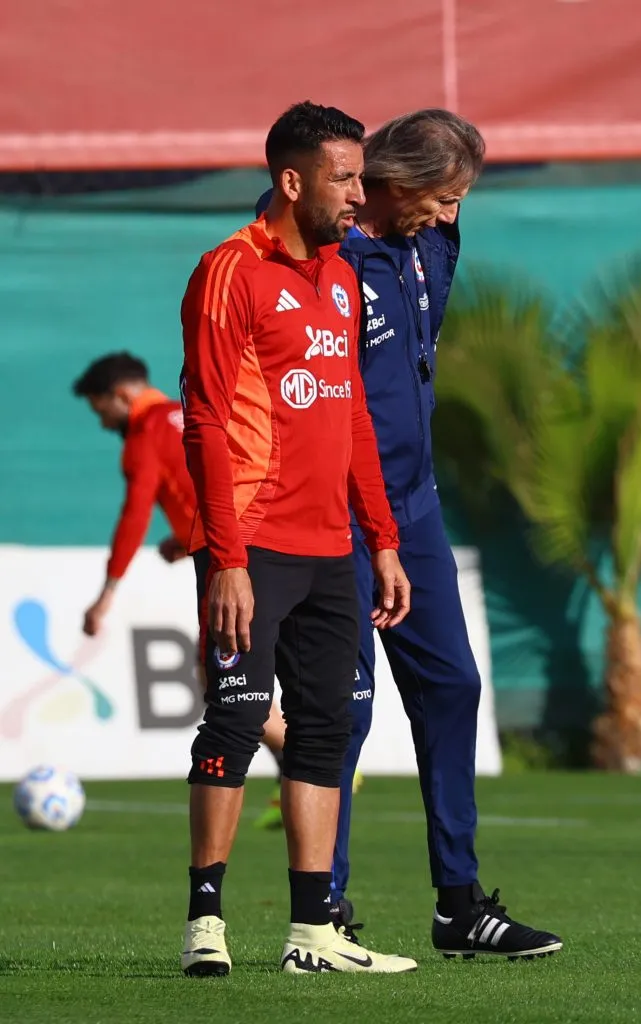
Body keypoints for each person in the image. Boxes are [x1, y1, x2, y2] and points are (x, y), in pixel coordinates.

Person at [258, 109, 561, 960]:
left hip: (413, 510)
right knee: (338, 712)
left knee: (454, 685)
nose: (450, 212)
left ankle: (458, 906)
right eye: (441, 195)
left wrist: (443, 201)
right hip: (337, 516)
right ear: (392, 182)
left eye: (460, 198)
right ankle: (326, 912)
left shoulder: (430, 245)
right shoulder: (326, 258)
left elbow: (409, 355)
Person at [179, 100, 417, 976]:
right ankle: (206, 923)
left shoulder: (342, 278)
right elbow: (203, 418)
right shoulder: (229, 270)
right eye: (345, 178)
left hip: (330, 547)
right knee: (237, 717)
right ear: (291, 180)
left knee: (324, 730)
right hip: (251, 541)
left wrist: (381, 540)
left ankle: (312, 934)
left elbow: (351, 412)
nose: (361, 194)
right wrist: (227, 558)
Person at [72, 352, 287, 799]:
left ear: (121, 395)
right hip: (276, 548)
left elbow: (134, 516)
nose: (102, 423)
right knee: (241, 675)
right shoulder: (190, 414)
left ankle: (314, 764)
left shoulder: (144, 434)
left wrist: (106, 595)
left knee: (225, 682)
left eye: (101, 410)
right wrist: (183, 537)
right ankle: (300, 771)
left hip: (230, 566)